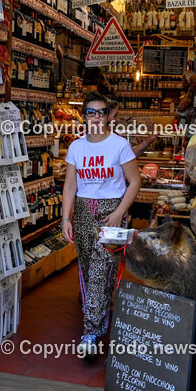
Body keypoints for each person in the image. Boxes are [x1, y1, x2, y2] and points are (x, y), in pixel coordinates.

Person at [61, 92, 141, 357]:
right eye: (91, 112)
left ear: (109, 116)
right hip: (83, 211)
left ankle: (90, 333)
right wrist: (65, 218)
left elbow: (135, 182)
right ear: (84, 116)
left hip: (111, 212)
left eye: (102, 112)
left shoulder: (119, 146)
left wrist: (120, 212)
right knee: (87, 267)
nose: (96, 117)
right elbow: (70, 185)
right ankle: (99, 313)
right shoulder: (76, 147)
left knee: (100, 269)